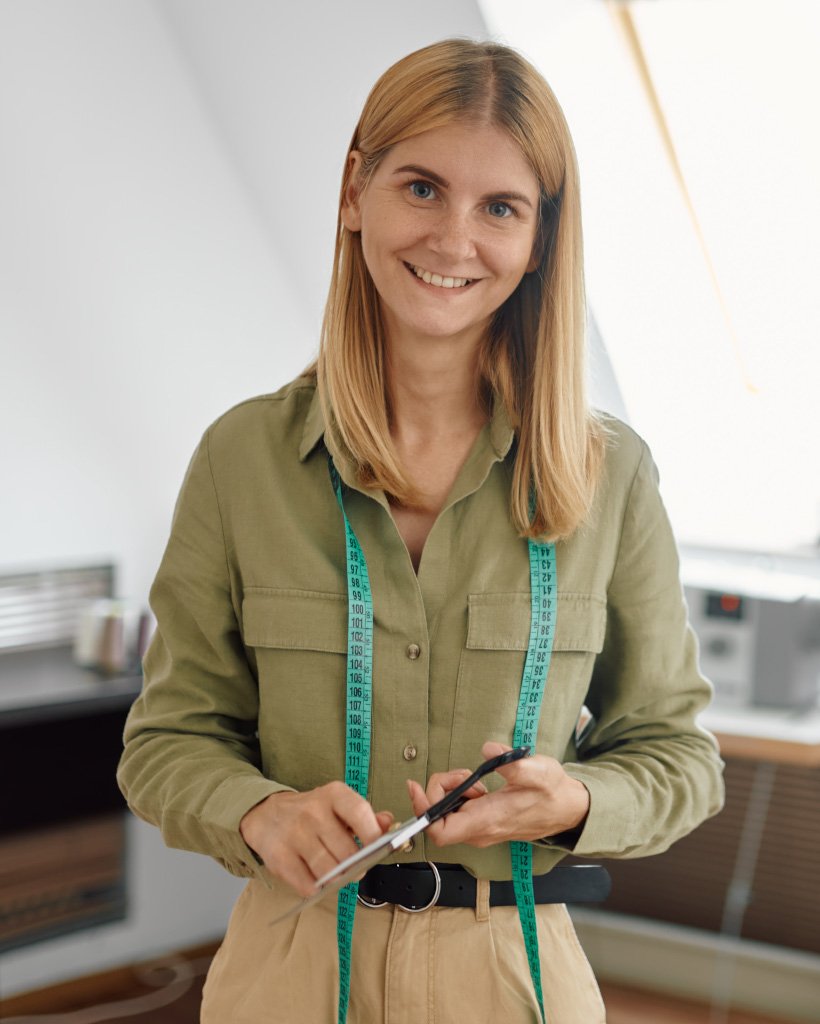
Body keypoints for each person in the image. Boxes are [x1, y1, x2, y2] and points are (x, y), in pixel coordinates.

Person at [117, 38, 724, 1024]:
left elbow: (679, 758)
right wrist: (259, 810)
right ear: (355, 189)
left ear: (540, 238)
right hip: (288, 967)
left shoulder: (611, 476)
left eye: (501, 208)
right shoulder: (241, 458)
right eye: (422, 188)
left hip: (511, 972)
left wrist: (572, 802)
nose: (453, 240)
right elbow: (166, 742)